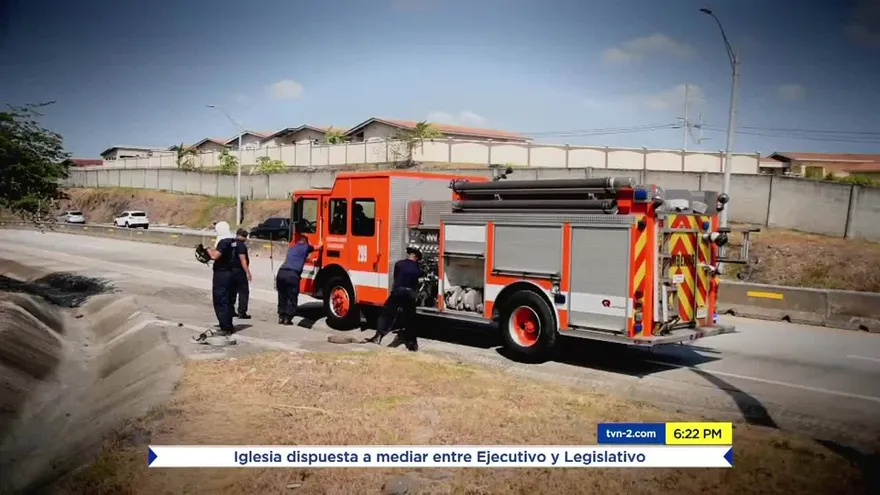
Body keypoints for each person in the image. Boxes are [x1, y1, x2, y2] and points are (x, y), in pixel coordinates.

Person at [365, 247, 423, 351]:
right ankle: (412, 344)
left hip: (397, 291)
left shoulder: (399, 264)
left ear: (409, 255)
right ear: (416, 258)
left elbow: (396, 277)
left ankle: (378, 336)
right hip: (410, 294)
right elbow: (417, 283)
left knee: (386, 314)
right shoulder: (417, 269)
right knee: (410, 318)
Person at [276, 234, 323, 325]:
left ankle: (281, 317)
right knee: (291, 297)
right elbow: (318, 247)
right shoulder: (305, 247)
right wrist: (321, 242)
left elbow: (297, 258)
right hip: (292, 275)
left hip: (281, 273)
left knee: (282, 296)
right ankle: (288, 319)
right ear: (306, 242)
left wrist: (309, 261)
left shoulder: (292, 248)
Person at [204, 222, 238, 335]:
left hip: (222, 274)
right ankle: (228, 324)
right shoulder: (233, 241)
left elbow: (215, 256)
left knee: (220, 299)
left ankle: (225, 327)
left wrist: (208, 250)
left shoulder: (224, 241)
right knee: (228, 300)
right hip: (231, 273)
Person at [228, 228, 252, 319]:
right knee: (243, 292)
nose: (246, 238)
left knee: (232, 292)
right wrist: (247, 272)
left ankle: (230, 310)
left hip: (230, 271)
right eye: (245, 236)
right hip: (239, 271)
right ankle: (242, 312)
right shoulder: (241, 245)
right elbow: (243, 260)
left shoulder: (231, 244)